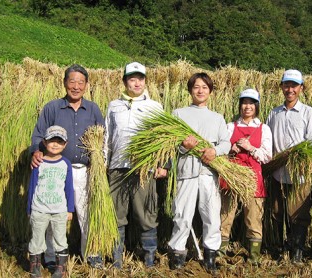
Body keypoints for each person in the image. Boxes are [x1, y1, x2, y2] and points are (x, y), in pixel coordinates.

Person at [30, 64, 105, 268]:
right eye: (72, 81)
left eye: (81, 82)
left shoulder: (93, 109)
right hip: (55, 170)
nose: (76, 86)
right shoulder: (52, 107)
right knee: (53, 212)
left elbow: (103, 138)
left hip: (84, 171)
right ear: (64, 83)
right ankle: (51, 256)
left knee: (87, 213)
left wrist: (100, 164)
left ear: (87, 85)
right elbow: (38, 135)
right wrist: (36, 151)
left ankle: (91, 253)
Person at [105, 62, 167, 268]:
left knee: (146, 214)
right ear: (124, 82)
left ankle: (149, 257)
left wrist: (162, 164)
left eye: (140, 78)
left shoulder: (155, 107)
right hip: (117, 168)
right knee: (117, 215)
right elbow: (107, 137)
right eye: (132, 78)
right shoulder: (114, 106)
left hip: (144, 169)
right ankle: (116, 258)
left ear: (145, 81)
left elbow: (164, 140)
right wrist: (105, 165)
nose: (136, 82)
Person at [167, 72, 231, 272]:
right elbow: (169, 145)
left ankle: (210, 255)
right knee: (182, 215)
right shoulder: (179, 114)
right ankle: (178, 255)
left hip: (208, 173)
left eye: (204, 87)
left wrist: (215, 151)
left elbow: (226, 143)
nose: (200, 90)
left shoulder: (217, 118)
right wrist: (184, 147)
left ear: (210, 91)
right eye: (196, 87)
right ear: (190, 90)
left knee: (211, 215)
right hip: (186, 172)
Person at [265, 69, 312, 263]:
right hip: (278, 173)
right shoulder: (274, 113)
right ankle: (280, 248)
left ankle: (297, 250)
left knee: (298, 213)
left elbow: (311, 142)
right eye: (286, 85)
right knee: (277, 211)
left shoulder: (308, 113)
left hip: (299, 174)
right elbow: (268, 141)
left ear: (301, 88)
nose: (290, 89)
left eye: (294, 86)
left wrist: (295, 158)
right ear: (281, 87)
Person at [220, 88, 272, 263]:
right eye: (244, 103)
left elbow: (267, 156)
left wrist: (250, 148)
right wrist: (231, 149)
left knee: (254, 216)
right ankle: (220, 253)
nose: (247, 106)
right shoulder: (230, 126)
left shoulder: (263, 128)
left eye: (251, 103)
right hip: (232, 176)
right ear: (240, 105)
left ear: (256, 106)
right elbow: (221, 152)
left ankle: (254, 256)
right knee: (225, 215)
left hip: (253, 177)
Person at [27, 126, 74, 278]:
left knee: (60, 238)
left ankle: (61, 267)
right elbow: (32, 186)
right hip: (39, 208)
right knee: (37, 238)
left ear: (65, 144)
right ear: (44, 142)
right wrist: (30, 209)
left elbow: (68, 187)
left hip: (59, 210)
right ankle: (35, 265)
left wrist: (70, 209)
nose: (55, 144)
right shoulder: (38, 162)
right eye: (52, 140)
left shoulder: (66, 164)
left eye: (59, 141)